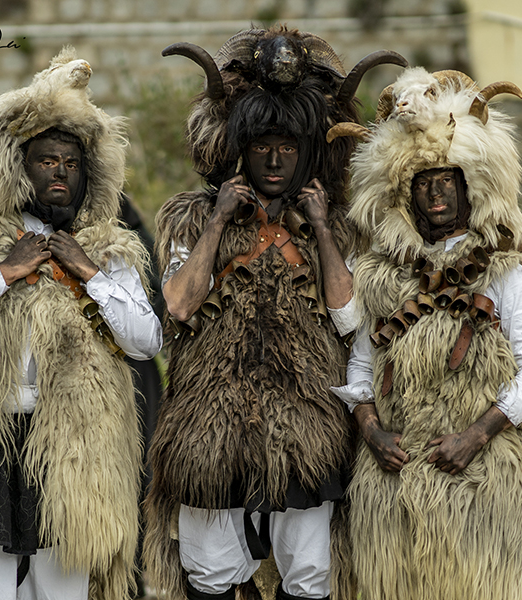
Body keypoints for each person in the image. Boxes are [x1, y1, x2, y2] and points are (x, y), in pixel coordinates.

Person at [144, 28, 405, 600]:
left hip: (306, 425)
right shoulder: (192, 217)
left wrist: (321, 228)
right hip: (208, 424)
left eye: (288, 147)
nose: (275, 159)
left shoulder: (339, 224)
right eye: (263, 145)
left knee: (310, 571)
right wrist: (219, 220)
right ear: (241, 148)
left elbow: (348, 317)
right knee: (209, 568)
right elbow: (179, 305)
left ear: (307, 151)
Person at [0, 48, 162, 600]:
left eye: (71, 163)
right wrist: (6, 272)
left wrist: (88, 271)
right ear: (20, 167)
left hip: (71, 450)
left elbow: (146, 339)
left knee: (60, 588)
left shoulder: (107, 249)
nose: (60, 171)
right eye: (46, 160)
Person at [329, 67, 522, 600]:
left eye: (446, 180)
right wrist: (371, 432)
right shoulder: (379, 277)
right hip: (395, 478)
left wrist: (475, 436)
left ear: (468, 186)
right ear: (404, 193)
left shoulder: (504, 273)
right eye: (422, 183)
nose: (435, 193)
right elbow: (362, 364)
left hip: (486, 475)